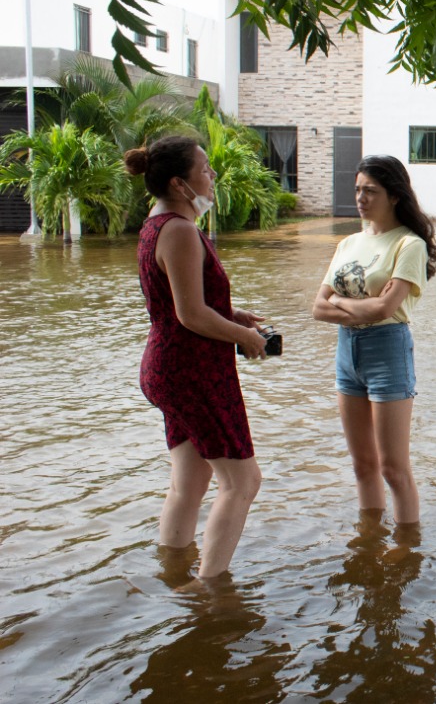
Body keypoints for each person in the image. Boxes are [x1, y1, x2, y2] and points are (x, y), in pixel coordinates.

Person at [125, 135, 266, 583]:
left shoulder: (157, 223)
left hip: (167, 367)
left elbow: (180, 302)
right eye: (204, 169)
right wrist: (245, 335)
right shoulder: (181, 230)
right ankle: (212, 591)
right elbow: (191, 314)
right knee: (242, 482)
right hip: (192, 371)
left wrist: (232, 314)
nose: (212, 176)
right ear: (179, 183)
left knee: (190, 481)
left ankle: (173, 572)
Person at [312, 155, 436, 526]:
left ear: (395, 195)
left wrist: (340, 300)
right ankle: (368, 541)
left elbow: (385, 309)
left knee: (393, 469)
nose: (361, 198)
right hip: (346, 352)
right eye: (358, 190)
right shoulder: (349, 243)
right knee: (362, 465)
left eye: (371, 191)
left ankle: (406, 547)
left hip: (388, 350)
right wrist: (349, 303)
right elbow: (318, 309)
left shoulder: (408, 245)